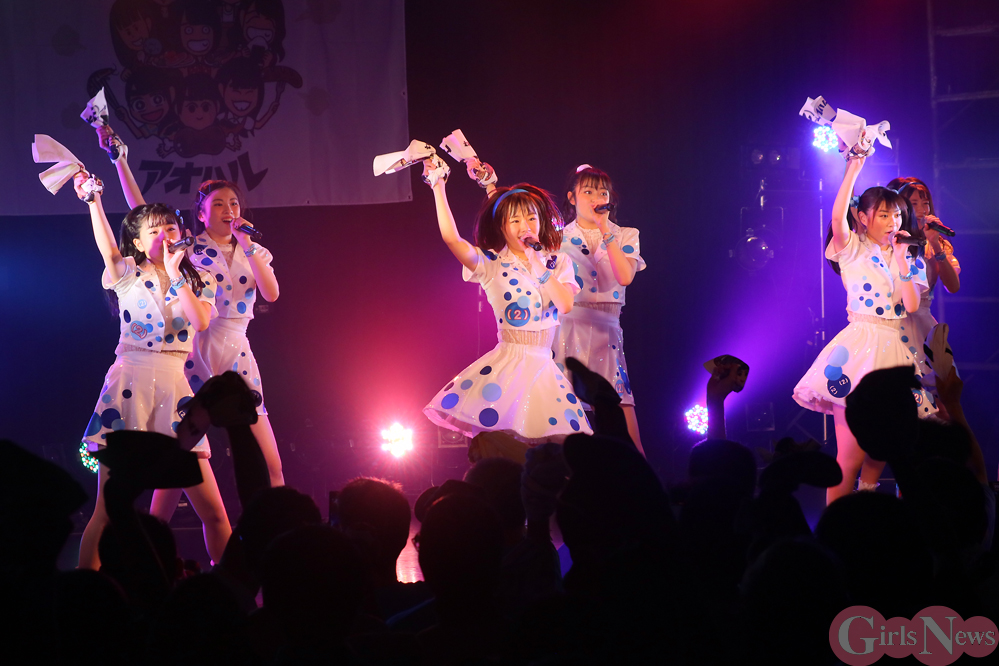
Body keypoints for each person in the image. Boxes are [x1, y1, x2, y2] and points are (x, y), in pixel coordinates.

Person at [95, 125, 285, 491]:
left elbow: (271, 293)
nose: (228, 210)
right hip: (195, 346)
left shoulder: (254, 250)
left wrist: (246, 244)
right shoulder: (189, 248)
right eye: (219, 204)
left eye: (234, 203)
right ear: (200, 213)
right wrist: (120, 162)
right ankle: (163, 515)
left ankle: (275, 508)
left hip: (237, 346)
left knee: (264, 445)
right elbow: (143, 213)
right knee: (182, 447)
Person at [74, 173, 231, 568]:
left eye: (171, 228)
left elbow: (200, 322)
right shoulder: (127, 272)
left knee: (214, 513)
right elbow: (108, 249)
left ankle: (232, 588)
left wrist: (178, 275)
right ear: (139, 242)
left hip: (175, 389)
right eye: (154, 230)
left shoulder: (200, 279)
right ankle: (86, 590)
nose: (164, 235)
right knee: (107, 511)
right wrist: (93, 201)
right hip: (130, 382)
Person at [792, 155, 937, 505]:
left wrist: (902, 261)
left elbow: (911, 305)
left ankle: (867, 514)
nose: (892, 221)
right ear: (863, 217)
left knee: (883, 450)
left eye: (897, 215)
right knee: (849, 456)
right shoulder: (852, 248)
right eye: (884, 215)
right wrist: (853, 168)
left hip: (895, 349)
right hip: (858, 348)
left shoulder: (909, 256)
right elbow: (837, 217)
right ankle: (835, 526)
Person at [422, 161, 593, 444]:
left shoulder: (557, 261)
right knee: (506, 445)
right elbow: (452, 239)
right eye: (515, 221)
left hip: (544, 366)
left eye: (531, 218)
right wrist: (438, 185)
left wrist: (538, 265)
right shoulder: (491, 262)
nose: (525, 226)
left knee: (560, 445)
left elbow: (564, 305)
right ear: (502, 227)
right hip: (507, 365)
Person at [554, 165, 646, 452]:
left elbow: (624, 277)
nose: (596, 198)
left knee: (621, 407)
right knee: (564, 411)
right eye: (588, 192)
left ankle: (635, 472)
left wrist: (605, 229)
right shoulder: (556, 239)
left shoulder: (626, 234)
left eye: (602, 192)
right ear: (572, 198)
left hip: (607, 333)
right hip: (568, 328)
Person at [885, 177, 961, 376]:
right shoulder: (890, 241)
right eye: (914, 203)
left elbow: (953, 286)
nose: (922, 210)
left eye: (925, 203)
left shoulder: (936, 244)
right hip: (892, 321)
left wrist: (935, 244)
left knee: (936, 384)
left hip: (922, 323)